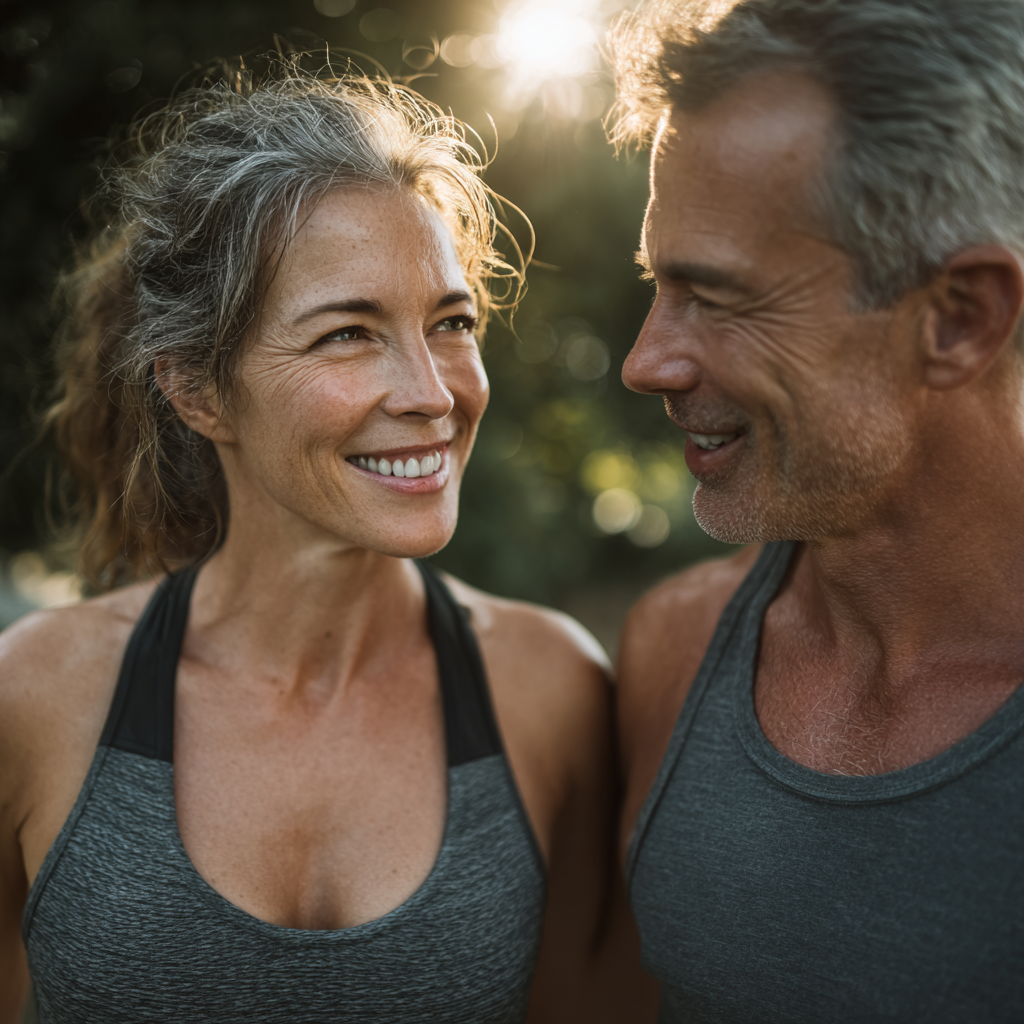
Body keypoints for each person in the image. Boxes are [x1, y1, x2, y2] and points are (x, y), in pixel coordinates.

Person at [0, 67, 651, 1023]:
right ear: (197, 392)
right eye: (349, 334)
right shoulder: (34, 698)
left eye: (452, 324)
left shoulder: (552, 690)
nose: (433, 392)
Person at [609, 0, 1024, 1019]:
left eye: (719, 295)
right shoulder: (673, 651)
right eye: (658, 287)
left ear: (958, 318)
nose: (644, 360)